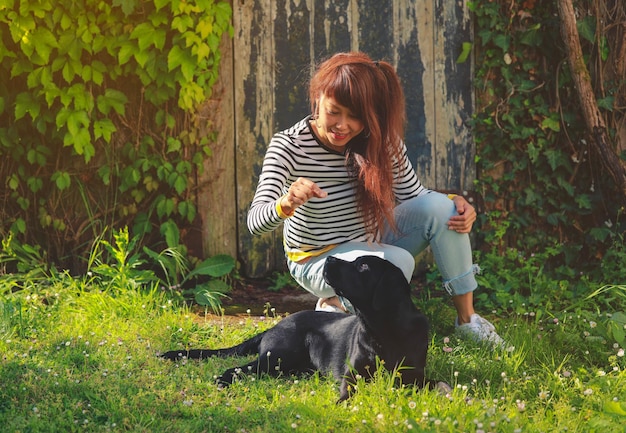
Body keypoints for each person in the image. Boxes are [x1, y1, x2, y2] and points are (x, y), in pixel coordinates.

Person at [247, 52, 504, 347]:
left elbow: (416, 197)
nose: (343, 125)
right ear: (318, 97)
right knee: (398, 261)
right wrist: (286, 203)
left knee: (443, 210)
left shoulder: (379, 141)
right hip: (316, 259)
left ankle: (468, 320)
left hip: (370, 239)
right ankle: (338, 305)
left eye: (355, 116)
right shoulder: (288, 146)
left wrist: (456, 202)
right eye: (335, 111)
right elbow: (255, 222)